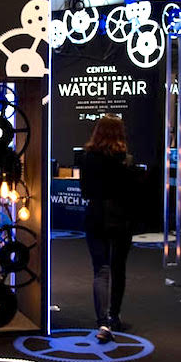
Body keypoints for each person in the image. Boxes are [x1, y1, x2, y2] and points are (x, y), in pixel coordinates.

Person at [80, 114, 133, 343]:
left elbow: (85, 191)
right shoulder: (125, 160)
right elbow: (132, 193)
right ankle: (115, 315)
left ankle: (103, 322)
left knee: (101, 269)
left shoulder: (87, 158)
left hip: (96, 216)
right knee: (118, 268)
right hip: (121, 218)